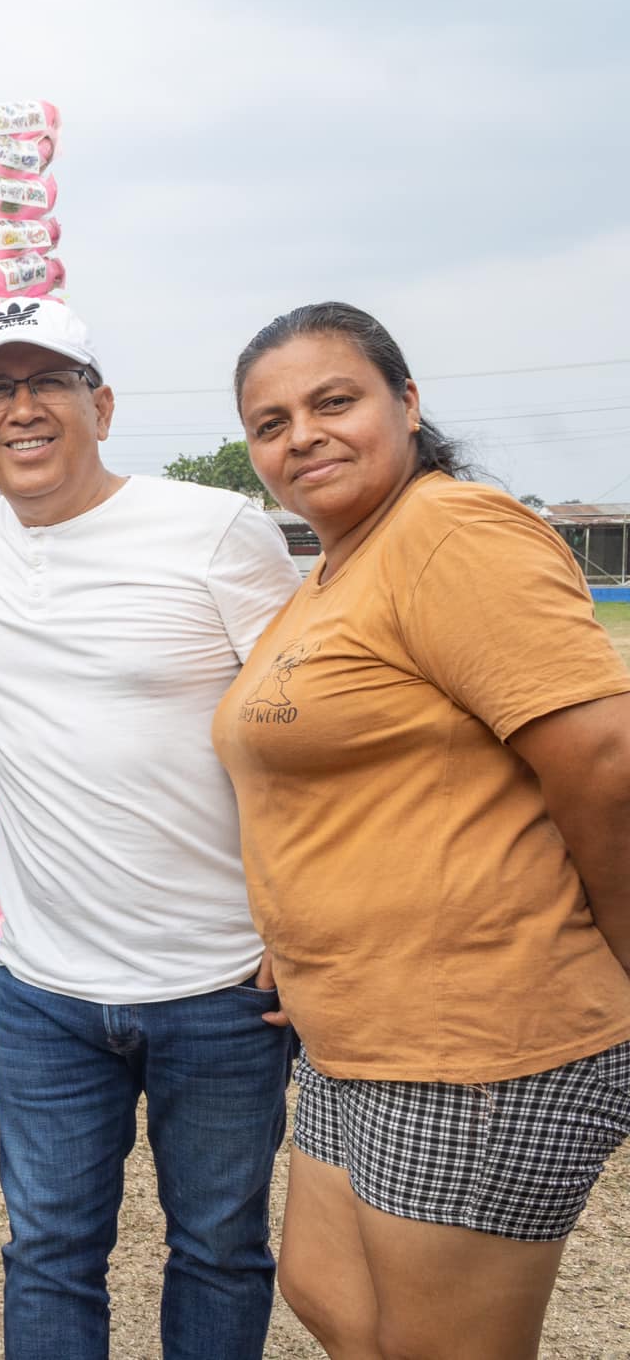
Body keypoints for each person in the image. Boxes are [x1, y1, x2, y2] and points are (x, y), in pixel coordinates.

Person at [214, 301, 630, 1360]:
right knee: (327, 1294)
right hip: (356, 1023)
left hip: (475, 1031)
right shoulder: (335, 569)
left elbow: (603, 759)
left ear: (405, 403)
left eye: (333, 401)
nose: (302, 435)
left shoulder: (450, 531)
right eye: (270, 423)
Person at [0, 300, 300, 1360]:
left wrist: (301, 923)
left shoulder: (216, 529)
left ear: (100, 404)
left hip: (221, 981)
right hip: (43, 987)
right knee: (48, 1250)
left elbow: (306, 735)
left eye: (49, 380)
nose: (23, 407)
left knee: (219, 1246)